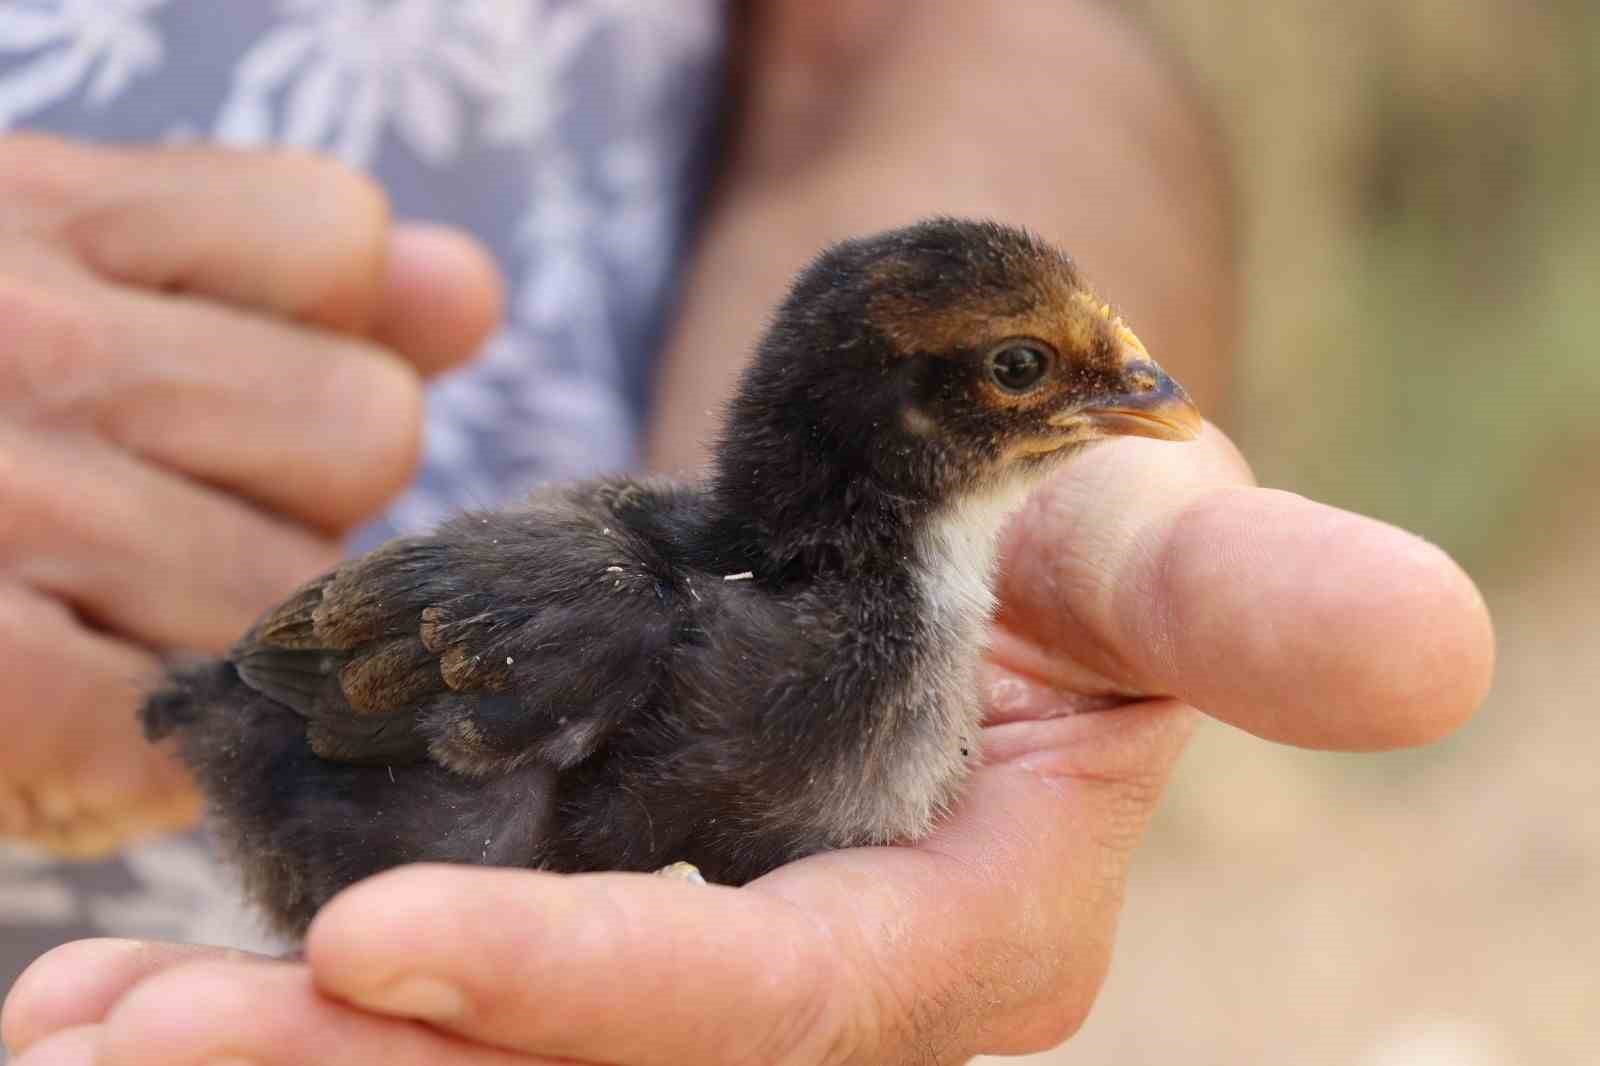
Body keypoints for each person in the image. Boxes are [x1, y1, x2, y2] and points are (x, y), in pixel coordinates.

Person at [0, 3, 1493, 1063]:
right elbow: (274, 698)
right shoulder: (614, 616)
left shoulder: (835, 641)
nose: (1139, 388)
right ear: (892, 419)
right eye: (1029, 372)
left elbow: (938, 30)